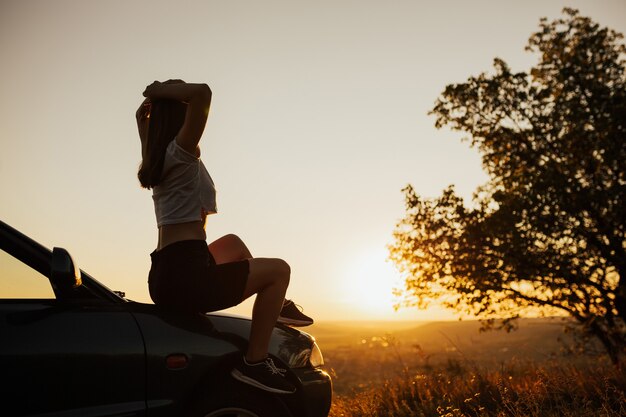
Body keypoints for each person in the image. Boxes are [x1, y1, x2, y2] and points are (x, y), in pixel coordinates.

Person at [135, 79, 313, 395]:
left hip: (165, 272)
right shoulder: (181, 153)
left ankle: (279, 305)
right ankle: (255, 363)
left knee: (233, 243)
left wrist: (145, 115)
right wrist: (164, 88)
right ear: (180, 118)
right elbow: (203, 92)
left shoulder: (156, 159)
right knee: (279, 270)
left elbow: (143, 120)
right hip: (188, 275)